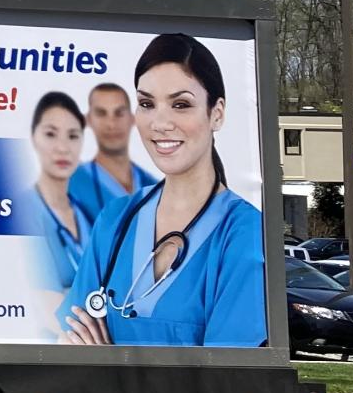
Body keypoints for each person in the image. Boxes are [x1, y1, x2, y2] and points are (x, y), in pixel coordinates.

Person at [61, 34, 265, 347]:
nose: (160, 123)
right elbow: (69, 344)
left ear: (217, 113)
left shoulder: (244, 232)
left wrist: (109, 366)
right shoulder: (117, 219)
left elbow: (228, 376)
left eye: (181, 104)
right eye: (146, 104)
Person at [21, 92, 98, 288]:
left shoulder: (89, 214)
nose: (63, 148)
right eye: (50, 134)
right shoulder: (24, 211)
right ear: (33, 137)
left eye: (73, 136)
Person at [68, 81, 155, 221]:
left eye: (119, 113)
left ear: (133, 119)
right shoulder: (71, 185)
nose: (111, 124)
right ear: (88, 120)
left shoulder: (154, 187)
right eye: (101, 114)